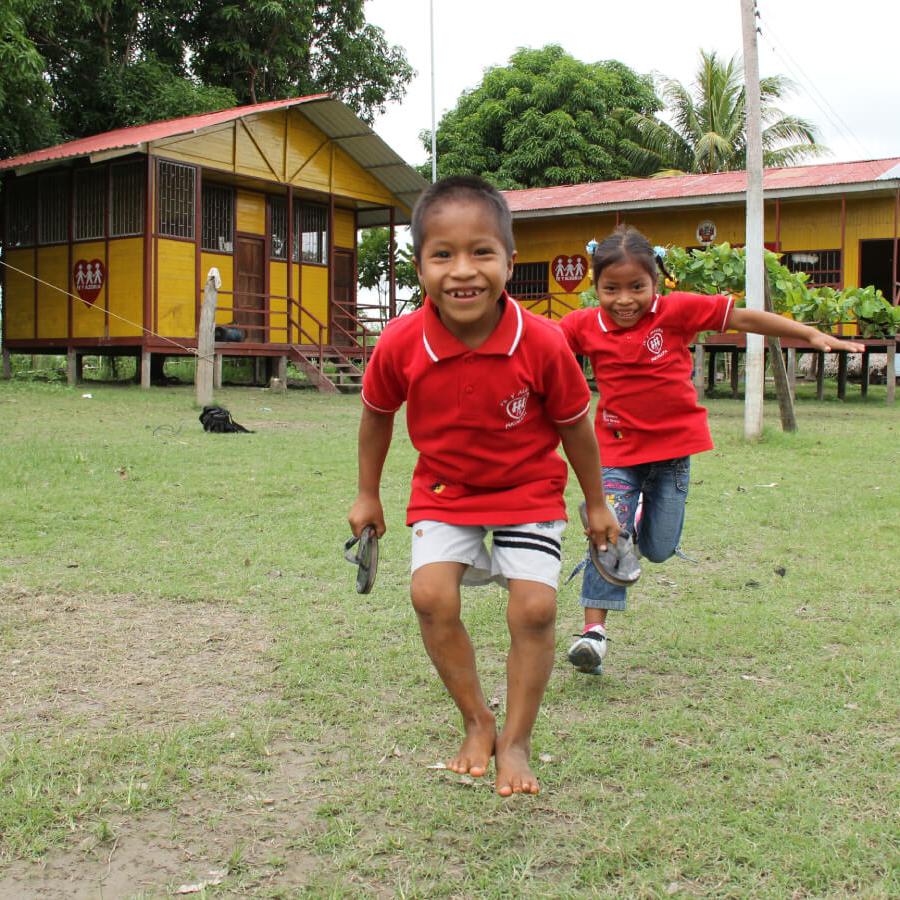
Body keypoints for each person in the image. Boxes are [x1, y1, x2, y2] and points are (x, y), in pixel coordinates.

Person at [348, 176, 619, 796]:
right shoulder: (400, 341)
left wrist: (597, 502)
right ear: (419, 265)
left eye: (482, 253)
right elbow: (376, 416)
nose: (462, 271)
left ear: (510, 261)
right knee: (430, 596)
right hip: (446, 490)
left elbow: (577, 427)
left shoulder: (544, 342)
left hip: (528, 489)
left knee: (536, 609)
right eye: (442, 254)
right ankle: (477, 721)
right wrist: (368, 493)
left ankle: (517, 742)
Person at [560, 225, 865, 676]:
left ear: (657, 283)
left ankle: (636, 522)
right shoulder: (583, 325)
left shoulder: (677, 311)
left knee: (660, 549)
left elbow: (747, 319)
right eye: (611, 289)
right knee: (607, 538)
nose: (624, 300)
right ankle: (593, 635)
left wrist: (810, 335)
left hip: (672, 456)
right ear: (595, 286)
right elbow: (540, 347)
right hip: (616, 453)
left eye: (636, 287)